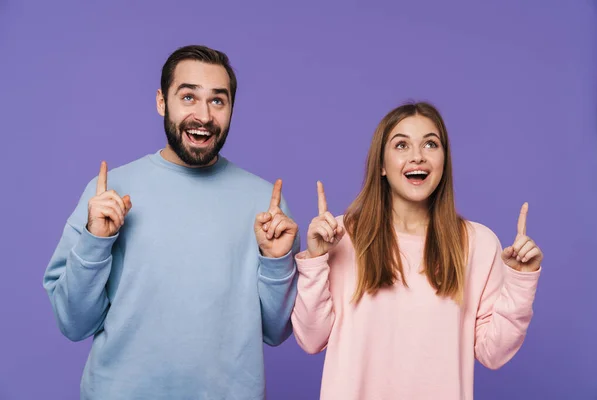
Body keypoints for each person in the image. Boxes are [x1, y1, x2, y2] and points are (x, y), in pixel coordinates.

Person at [43, 44, 300, 400]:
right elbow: (72, 323)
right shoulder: (108, 194)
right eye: (189, 97)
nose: (204, 116)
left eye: (218, 101)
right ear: (162, 103)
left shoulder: (266, 205)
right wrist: (95, 241)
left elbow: (275, 331)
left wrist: (276, 263)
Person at [291, 101, 543, 400]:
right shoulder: (340, 236)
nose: (417, 157)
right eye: (401, 145)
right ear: (381, 165)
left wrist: (521, 282)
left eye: (430, 144)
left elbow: (493, 353)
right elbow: (310, 339)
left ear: (443, 161)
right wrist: (316, 259)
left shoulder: (479, 244)